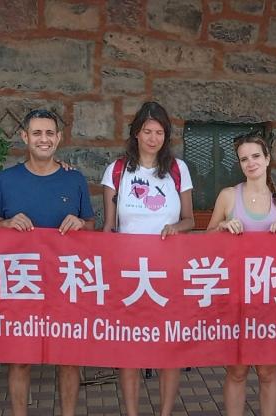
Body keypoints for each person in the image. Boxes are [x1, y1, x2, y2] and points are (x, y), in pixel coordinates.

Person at [0, 109, 95, 416]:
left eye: (49, 133)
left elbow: (91, 226)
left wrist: (81, 224)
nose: (43, 139)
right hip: (22, 283)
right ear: (24, 137)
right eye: (36, 133)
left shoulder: (74, 178)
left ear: (58, 138)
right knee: (20, 360)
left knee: (68, 359)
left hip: (65, 281)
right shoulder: (7, 179)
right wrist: (6, 224)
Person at [100, 101, 194, 416]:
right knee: (130, 349)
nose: (153, 138)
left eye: (159, 132)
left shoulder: (178, 169)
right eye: (147, 131)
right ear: (136, 133)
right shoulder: (117, 170)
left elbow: (189, 219)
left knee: (169, 348)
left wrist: (176, 227)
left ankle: (165, 412)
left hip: (168, 272)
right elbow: (109, 226)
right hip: (129, 274)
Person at [205, 131, 276, 416]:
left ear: (267, 159)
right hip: (235, 296)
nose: (250, 163)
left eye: (256, 156)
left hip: (269, 296)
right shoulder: (228, 196)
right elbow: (206, 239)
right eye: (244, 159)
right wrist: (222, 227)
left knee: (268, 371)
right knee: (237, 370)